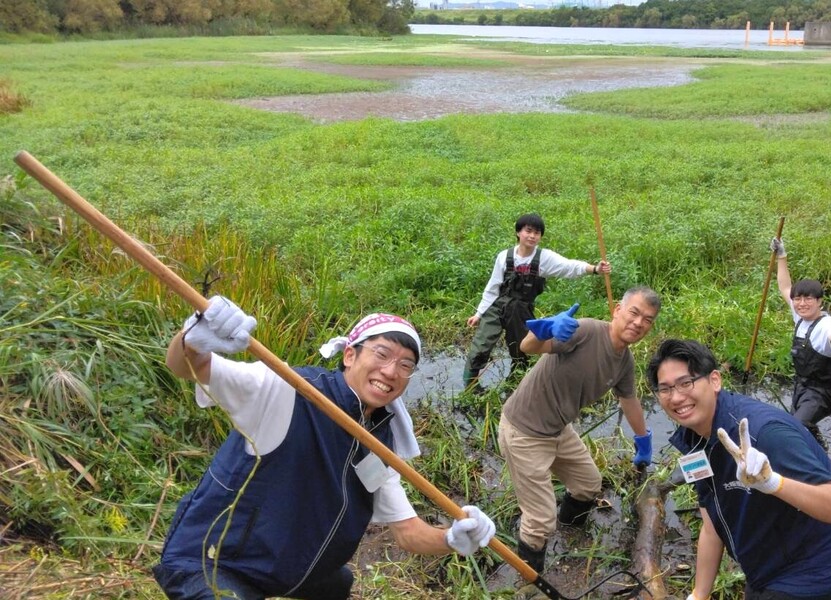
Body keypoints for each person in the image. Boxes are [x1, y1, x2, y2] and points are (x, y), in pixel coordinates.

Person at [154, 297, 496, 600]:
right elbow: (189, 367)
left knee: (337, 583)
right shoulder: (288, 388)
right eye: (382, 354)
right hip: (215, 560)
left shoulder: (379, 444)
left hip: (289, 570)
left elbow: (407, 532)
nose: (391, 371)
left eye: (405, 365)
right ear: (349, 354)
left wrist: (452, 539)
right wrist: (193, 342)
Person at [648, 339, 831, 600]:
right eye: (665, 389)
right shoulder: (692, 440)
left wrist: (772, 483)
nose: (677, 397)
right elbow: (711, 525)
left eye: (686, 383)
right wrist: (699, 595)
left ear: (715, 380)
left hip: (818, 565)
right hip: (767, 562)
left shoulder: (764, 433)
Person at [497, 286, 659, 573]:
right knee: (539, 520)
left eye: (647, 320)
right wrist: (545, 330)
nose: (638, 323)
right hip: (524, 431)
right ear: (617, 310)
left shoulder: (625, 362)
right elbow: (527, 347)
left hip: (559, 429)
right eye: (634, 313)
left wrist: (642, 438)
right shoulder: (585, 331)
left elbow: (629, 400)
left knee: (588, 485)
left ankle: (569, 532)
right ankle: (531, 579)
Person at [463, 213, 611, 391]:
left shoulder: (544, 258)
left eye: (537, 233)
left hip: (521, 310)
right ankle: (470, 387)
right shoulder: (504, 256)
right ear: (518, 232)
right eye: (529, 231)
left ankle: (515, 386)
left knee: (522, 350)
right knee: (480, 346)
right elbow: (493, 286)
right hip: (497, 306)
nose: (532, 236)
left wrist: (595, 269)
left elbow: (569, 266)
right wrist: (479, 313)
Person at [771, 237, 831, 447]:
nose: (801, 303)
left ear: (819, 301)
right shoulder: (799, 317)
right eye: (798, 299)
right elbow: (784, 286)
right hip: (800, 388)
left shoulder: (826, 324)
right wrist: (781, 256)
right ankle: (820, 448)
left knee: (794, 429)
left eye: (808, 299)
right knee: (800, 426)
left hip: (820, 395)